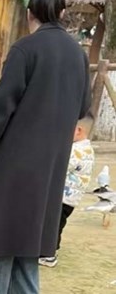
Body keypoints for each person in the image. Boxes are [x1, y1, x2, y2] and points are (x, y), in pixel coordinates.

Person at [0, 0, 91, 294]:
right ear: (63, 13)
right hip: (52, 160)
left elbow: (0, 108)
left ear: (28, 13)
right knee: (34, 222)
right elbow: (82, 107)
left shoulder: (25, 49)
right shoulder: (78, 55)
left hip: (13, 155)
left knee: (2, 220)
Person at [39, 114, 95, 267]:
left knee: (53, 225)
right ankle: (47, 250)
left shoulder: (76, 151)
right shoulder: (88, 149)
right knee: (57, 224)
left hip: (63, 197)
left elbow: (59, 167)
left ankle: (48, 255)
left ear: (78, 130)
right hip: (72, 199)